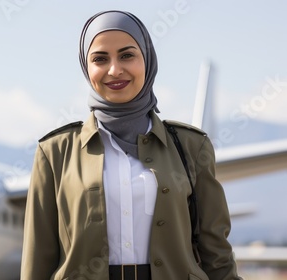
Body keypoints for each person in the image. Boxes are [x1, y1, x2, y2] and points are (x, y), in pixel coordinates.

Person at [20, 10, 242, 280]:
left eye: (127, 55)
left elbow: (216, 254)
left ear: (147, 59)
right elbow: (37, 260)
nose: (114, 70)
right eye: (100, 59)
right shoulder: (54, 153)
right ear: (85, 67)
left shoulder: (191, 148)